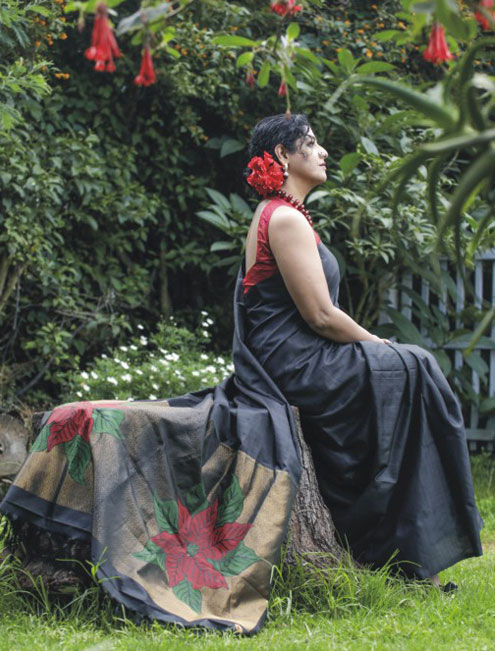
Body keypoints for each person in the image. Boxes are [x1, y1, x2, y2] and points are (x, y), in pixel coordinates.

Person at [0, 113, 482, 635]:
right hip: (295, 365)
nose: (323, 151)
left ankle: (404, 545)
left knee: (410, 371)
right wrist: (379, 344)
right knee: (413, 366)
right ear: (283, 156)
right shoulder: (283, 218)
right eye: (311, 143)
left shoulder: (283, 215)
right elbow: (320, 316)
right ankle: (410, 547)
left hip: (298, 358)